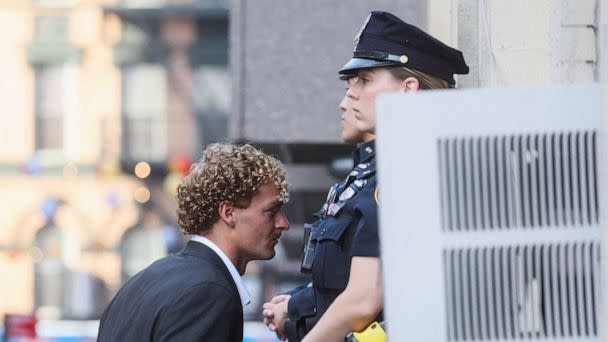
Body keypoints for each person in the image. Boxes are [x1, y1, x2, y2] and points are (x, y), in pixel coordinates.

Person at [262, 11, 469, 342]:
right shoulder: (372, 173)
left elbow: (362, 301)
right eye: (350, 82)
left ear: (408, 89)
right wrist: (298, 307)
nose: (349, 97)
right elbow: (341, 283)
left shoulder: (405, 173)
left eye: (365, 80)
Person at [98, 143, 290, 342]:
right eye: (271, 211)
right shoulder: (209, 292)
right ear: (228, 213)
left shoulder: (141, 282)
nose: (283, 223)